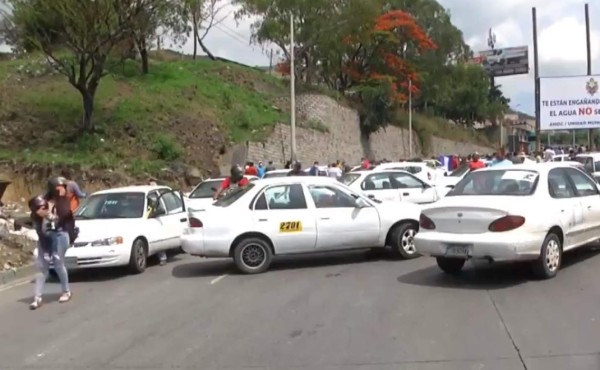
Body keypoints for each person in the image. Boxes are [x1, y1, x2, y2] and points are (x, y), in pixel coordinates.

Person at [30, 177, 74, 310]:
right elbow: (37, 221)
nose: (64, 189)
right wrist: (38, 214)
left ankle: (66, 291)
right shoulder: (42, 202)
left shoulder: (63, 201)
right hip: (44, 236)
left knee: (57, 263)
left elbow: (64, 215)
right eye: (61, 187)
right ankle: (37, 297)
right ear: (55, 187)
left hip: (60, 236)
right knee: (42, 267)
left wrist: (59, 200)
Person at [28, 196, 57, 262]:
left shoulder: (48, 208)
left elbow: (52, 218)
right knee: (41, 233)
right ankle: (46, 251)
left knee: (49, 234)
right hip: (38, 219)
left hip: (45, 221)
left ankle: (51, 251)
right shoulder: (35, 215)